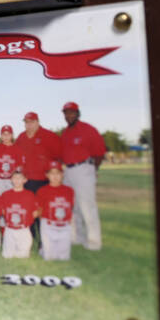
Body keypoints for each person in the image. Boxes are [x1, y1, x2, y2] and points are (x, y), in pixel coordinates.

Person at [60, 101, 107, 250]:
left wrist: (93, 169)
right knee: (72, 206)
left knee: (87, 206)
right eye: (66, 113)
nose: (69, 115)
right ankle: (76, 237)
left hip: (84, 168)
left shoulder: (88, 129)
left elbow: (100, 152)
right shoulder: (65, 132)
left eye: (72, 112)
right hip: (69, 170)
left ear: (78, 113)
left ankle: (94, 242)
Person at [37, 161, 75, 260]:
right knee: (49, 257)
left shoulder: (69, 190)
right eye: (51, 173)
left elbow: (70, 208)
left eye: (58, 173)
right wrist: (45, 225)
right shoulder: (42, 190)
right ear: (47, 175)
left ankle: (50, 248)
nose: (55, 176)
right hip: (48, 225)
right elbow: (40, 211)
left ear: (62, 174)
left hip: (64, 226)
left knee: (63, 258)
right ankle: (44, 249)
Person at [17, 111, 61, 192]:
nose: (29, 124)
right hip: (25, 180)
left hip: (44, 180)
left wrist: (55, 176)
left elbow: (59, 156)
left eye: (32, 122)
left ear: (37, 122)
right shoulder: (21, 137)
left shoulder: (49, 136)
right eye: (27, 122)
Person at [0, 170, 37, 258]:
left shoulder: (30, 194)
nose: (17, 180)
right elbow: (3, 210)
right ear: (11, 180)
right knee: (8, 256)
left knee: (23, 256)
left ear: (25, 180)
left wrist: (26, 221)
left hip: (23, 229)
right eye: (14, 178)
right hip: (10, 229)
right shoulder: (6, 194)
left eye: (20, 178)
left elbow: (35, 212)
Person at [0, 124, 24, 194]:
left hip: (11, 179)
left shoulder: (17, 149)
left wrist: (17, 178)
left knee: (11, 199)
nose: (6, 136)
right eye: (4, 134)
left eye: (8, 134)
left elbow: (20, 165)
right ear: (1, 136)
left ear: (12, 135)